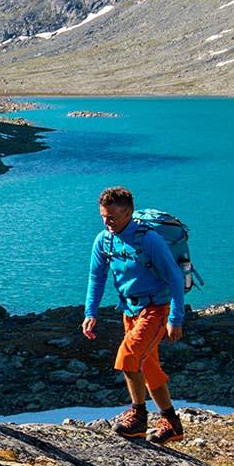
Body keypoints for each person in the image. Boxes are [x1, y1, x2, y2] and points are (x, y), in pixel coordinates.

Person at [83, 186, 187, 443]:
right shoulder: (103, 240)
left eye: (112, 217)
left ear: (128, 212)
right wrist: (90, 312)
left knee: (128, 355)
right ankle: (172, 423)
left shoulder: (149, 239)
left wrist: (175, 319)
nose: (107, 222)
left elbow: (175, 278)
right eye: (103, 216)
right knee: (149, 367)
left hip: (156, 309)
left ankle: (138, 416)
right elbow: (97, 277)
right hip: (129, 310)